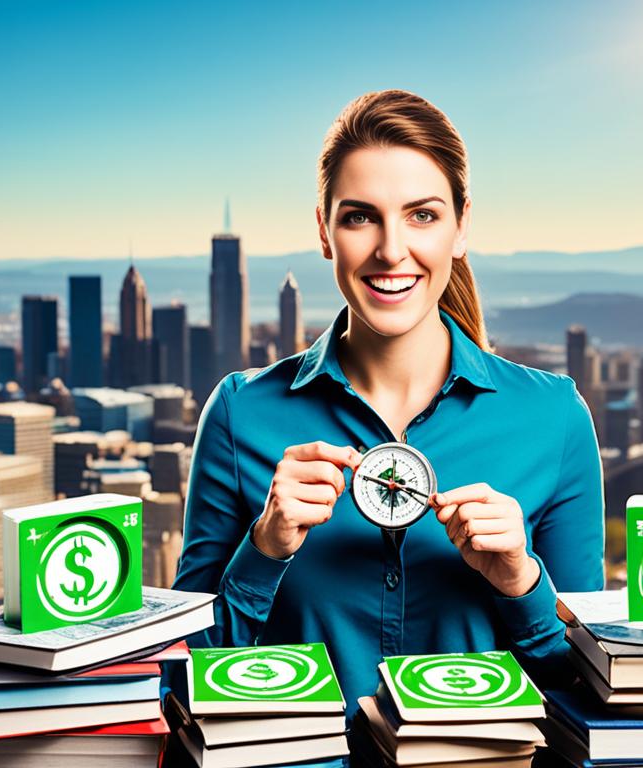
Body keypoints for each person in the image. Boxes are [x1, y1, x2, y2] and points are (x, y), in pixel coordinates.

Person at [171, 89, 605, 720]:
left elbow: (588, 695)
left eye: (422, 215)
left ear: (462, 226)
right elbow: (179, 677)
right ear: (324, 231)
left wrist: (522, 584)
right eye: (360, 217)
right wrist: (263, 551)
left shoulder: (554, 420)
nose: (391, 250)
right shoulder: (242, 414)